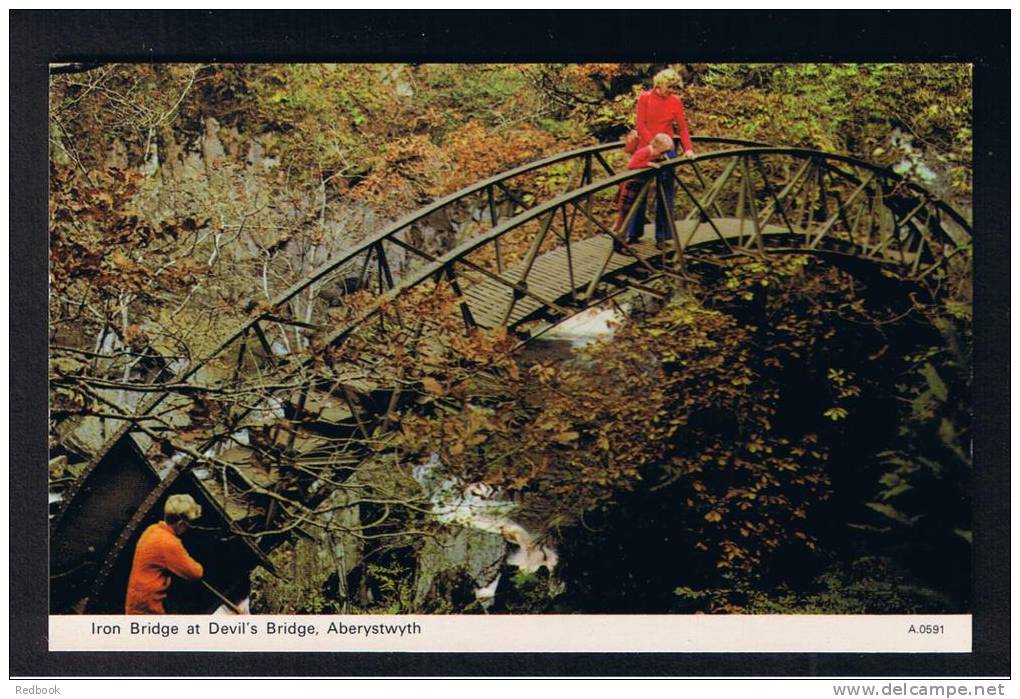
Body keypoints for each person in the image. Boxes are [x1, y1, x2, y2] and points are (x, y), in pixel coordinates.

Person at [629, 68, 696, 247]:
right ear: (659, 83)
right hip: (646, 148)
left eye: (674, 87)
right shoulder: (645, 97)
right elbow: (640, 124)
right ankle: (633, 233)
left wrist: (688, 149)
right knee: (638, 190)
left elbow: (681, 128)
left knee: (666, 193)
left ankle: (662, 236)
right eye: (669, 86)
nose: (671, 90)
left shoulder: (675, 101)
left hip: (667, 151)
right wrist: (654, 144)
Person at [124, 493, 204, 614]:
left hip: (136, 600)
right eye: (189, 524)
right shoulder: (169, 543)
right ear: (181, 524)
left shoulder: (153, 529)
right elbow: (195, 573)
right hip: (147, 607)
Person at [614, 133, 675, 253]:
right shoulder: (645, 151)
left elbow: (658, 157)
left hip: (637, 186)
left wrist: (662, 159)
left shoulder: (653, 152)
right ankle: (619, 243)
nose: (663, 155)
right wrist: (648, 164)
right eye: (662, 152)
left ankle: (621, 242)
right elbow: (631, 165)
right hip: (630, 186)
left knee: (628, 214)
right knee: (624, 215)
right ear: (656, 147)